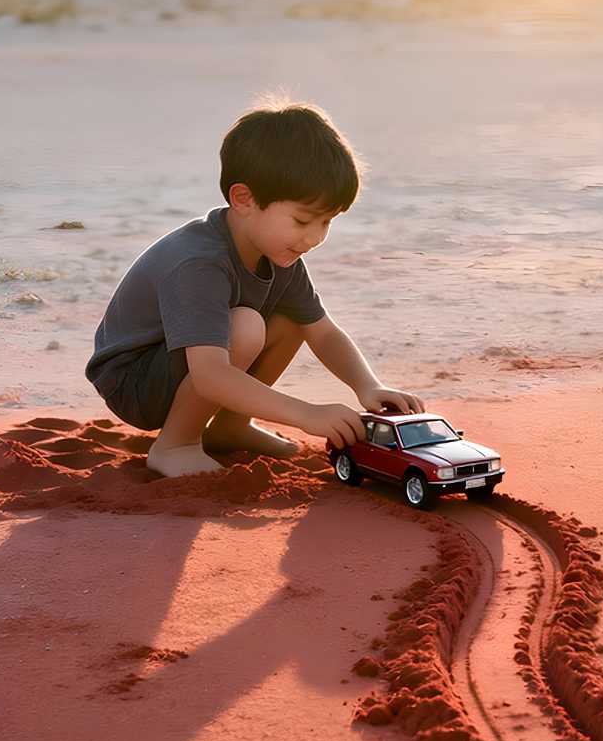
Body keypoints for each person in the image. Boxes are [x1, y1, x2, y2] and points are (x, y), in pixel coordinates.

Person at [84, 100, 425, 477]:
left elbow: (323, 332)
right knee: (246, 326)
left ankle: (230, 427)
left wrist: (367, 386)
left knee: (293, 320)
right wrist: (305, 413)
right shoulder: (198, 262)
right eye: (302, 220)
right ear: (244, 199)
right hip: (134, 382)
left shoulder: (280, 255)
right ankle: (176, 443)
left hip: (186, 369)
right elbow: (211, 374)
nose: (315, 238)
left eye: (327, 222)